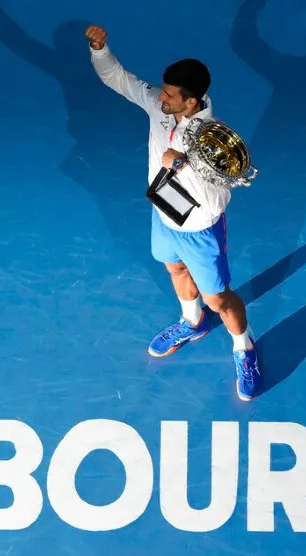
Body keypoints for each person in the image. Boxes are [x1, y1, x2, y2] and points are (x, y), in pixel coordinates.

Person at [85, 24, 261, 401]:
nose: (159, 96)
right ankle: (192, 321)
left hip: (199, 227)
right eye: (162, 90)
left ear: (192, 102)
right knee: (174, 268)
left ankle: (244, 347)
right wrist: (100, 49)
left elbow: (220, 198)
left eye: (168, 93)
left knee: (220, 300)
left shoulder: (215, 137)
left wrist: (182, 164)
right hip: (163, 212)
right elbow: (120, 79)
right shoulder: (161, 105)